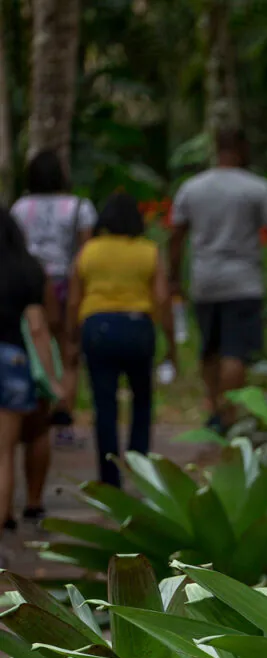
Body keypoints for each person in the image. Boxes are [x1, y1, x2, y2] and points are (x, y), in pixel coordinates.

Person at [169, 127, 267, 431]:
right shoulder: (256, 188)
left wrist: (174, 277)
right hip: (243, 281)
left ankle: (214, 407)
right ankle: (229, 414)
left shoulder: (192, 188)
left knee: (210, 348)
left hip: (205, 280)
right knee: (235, 352)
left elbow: (176, 236)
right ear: (241, 149)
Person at [9, 151, 97, 523]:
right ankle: (61, 404)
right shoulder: (79, 205)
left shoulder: (20, 207)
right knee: (67, 347)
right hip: (64, 281)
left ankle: (35, 393)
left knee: (32, 340)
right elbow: (86, 249)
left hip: (24, 283)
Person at [66, 193, 176, 489]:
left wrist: (71, 341)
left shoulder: (89, 252)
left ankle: (110, 478)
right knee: (142, 402)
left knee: (105, 406)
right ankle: (140, 471)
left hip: (97, 327)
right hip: (137, 328)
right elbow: (163, 298)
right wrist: (171, 345)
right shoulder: (148, 251)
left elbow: (75, 300)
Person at [0, 207, 62, 561]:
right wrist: (53, 380)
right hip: (12, 360)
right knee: (3, 453)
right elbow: (39, 325)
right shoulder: (28, 269)